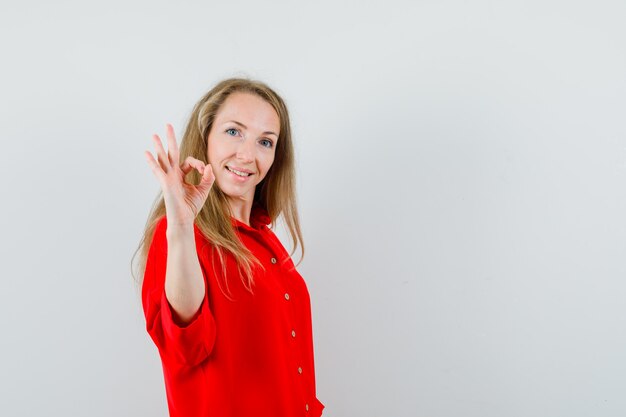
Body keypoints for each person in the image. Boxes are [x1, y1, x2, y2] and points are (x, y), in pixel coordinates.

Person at [134, 78, 325, 416]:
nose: (248, 155)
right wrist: (181, 226)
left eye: (265, 141)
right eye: (234, 132)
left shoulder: (265, 239)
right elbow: (187, 346)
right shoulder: (179, 235)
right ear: (205, 136)